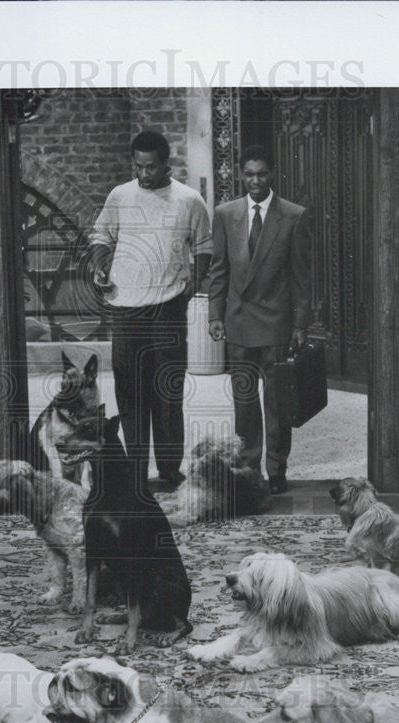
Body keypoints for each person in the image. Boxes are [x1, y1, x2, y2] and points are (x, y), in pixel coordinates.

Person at [88, 130, 213, 491]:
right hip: (126, 310)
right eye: (139, 166)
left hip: (168, 308)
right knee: (130, 392)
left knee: (168, 392)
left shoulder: (189, 200)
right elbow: (101, 236)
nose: (145, 174)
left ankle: (171, 470)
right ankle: (135, 471)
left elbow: (204, 245)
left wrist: (194, 283)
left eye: (152, 167)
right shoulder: (119, 196)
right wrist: (100, 266)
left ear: (166, 164)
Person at [205, 145, 311, 494]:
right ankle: (249, 468)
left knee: (278, 403)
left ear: (272, 174)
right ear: (240, 174)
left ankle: (277, 469)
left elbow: (301, 278)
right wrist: (215, 315)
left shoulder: (293, 216)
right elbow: (218, 270)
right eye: (248, 174)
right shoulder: (225, 213)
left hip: (277, 323)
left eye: (261, 173)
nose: (255, 180)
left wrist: (299, 325)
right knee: (244, 402)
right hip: (237, 322)